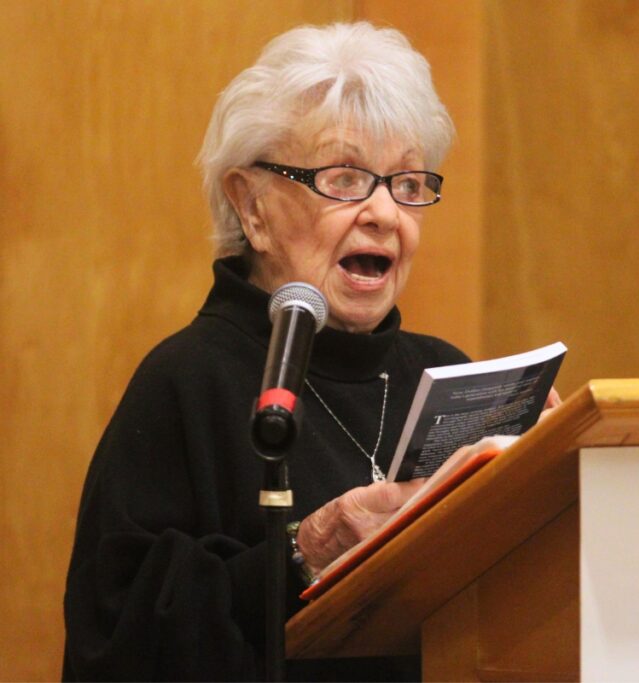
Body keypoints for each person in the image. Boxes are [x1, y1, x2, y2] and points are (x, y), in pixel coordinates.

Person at [63, 22, 557, 681]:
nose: (387, 213)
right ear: (253, 206)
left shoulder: (449, 376)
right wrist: (310, 550)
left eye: (408, 184)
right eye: (347, 179)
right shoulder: (186, 382)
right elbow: (120, 642)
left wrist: (548, 486)